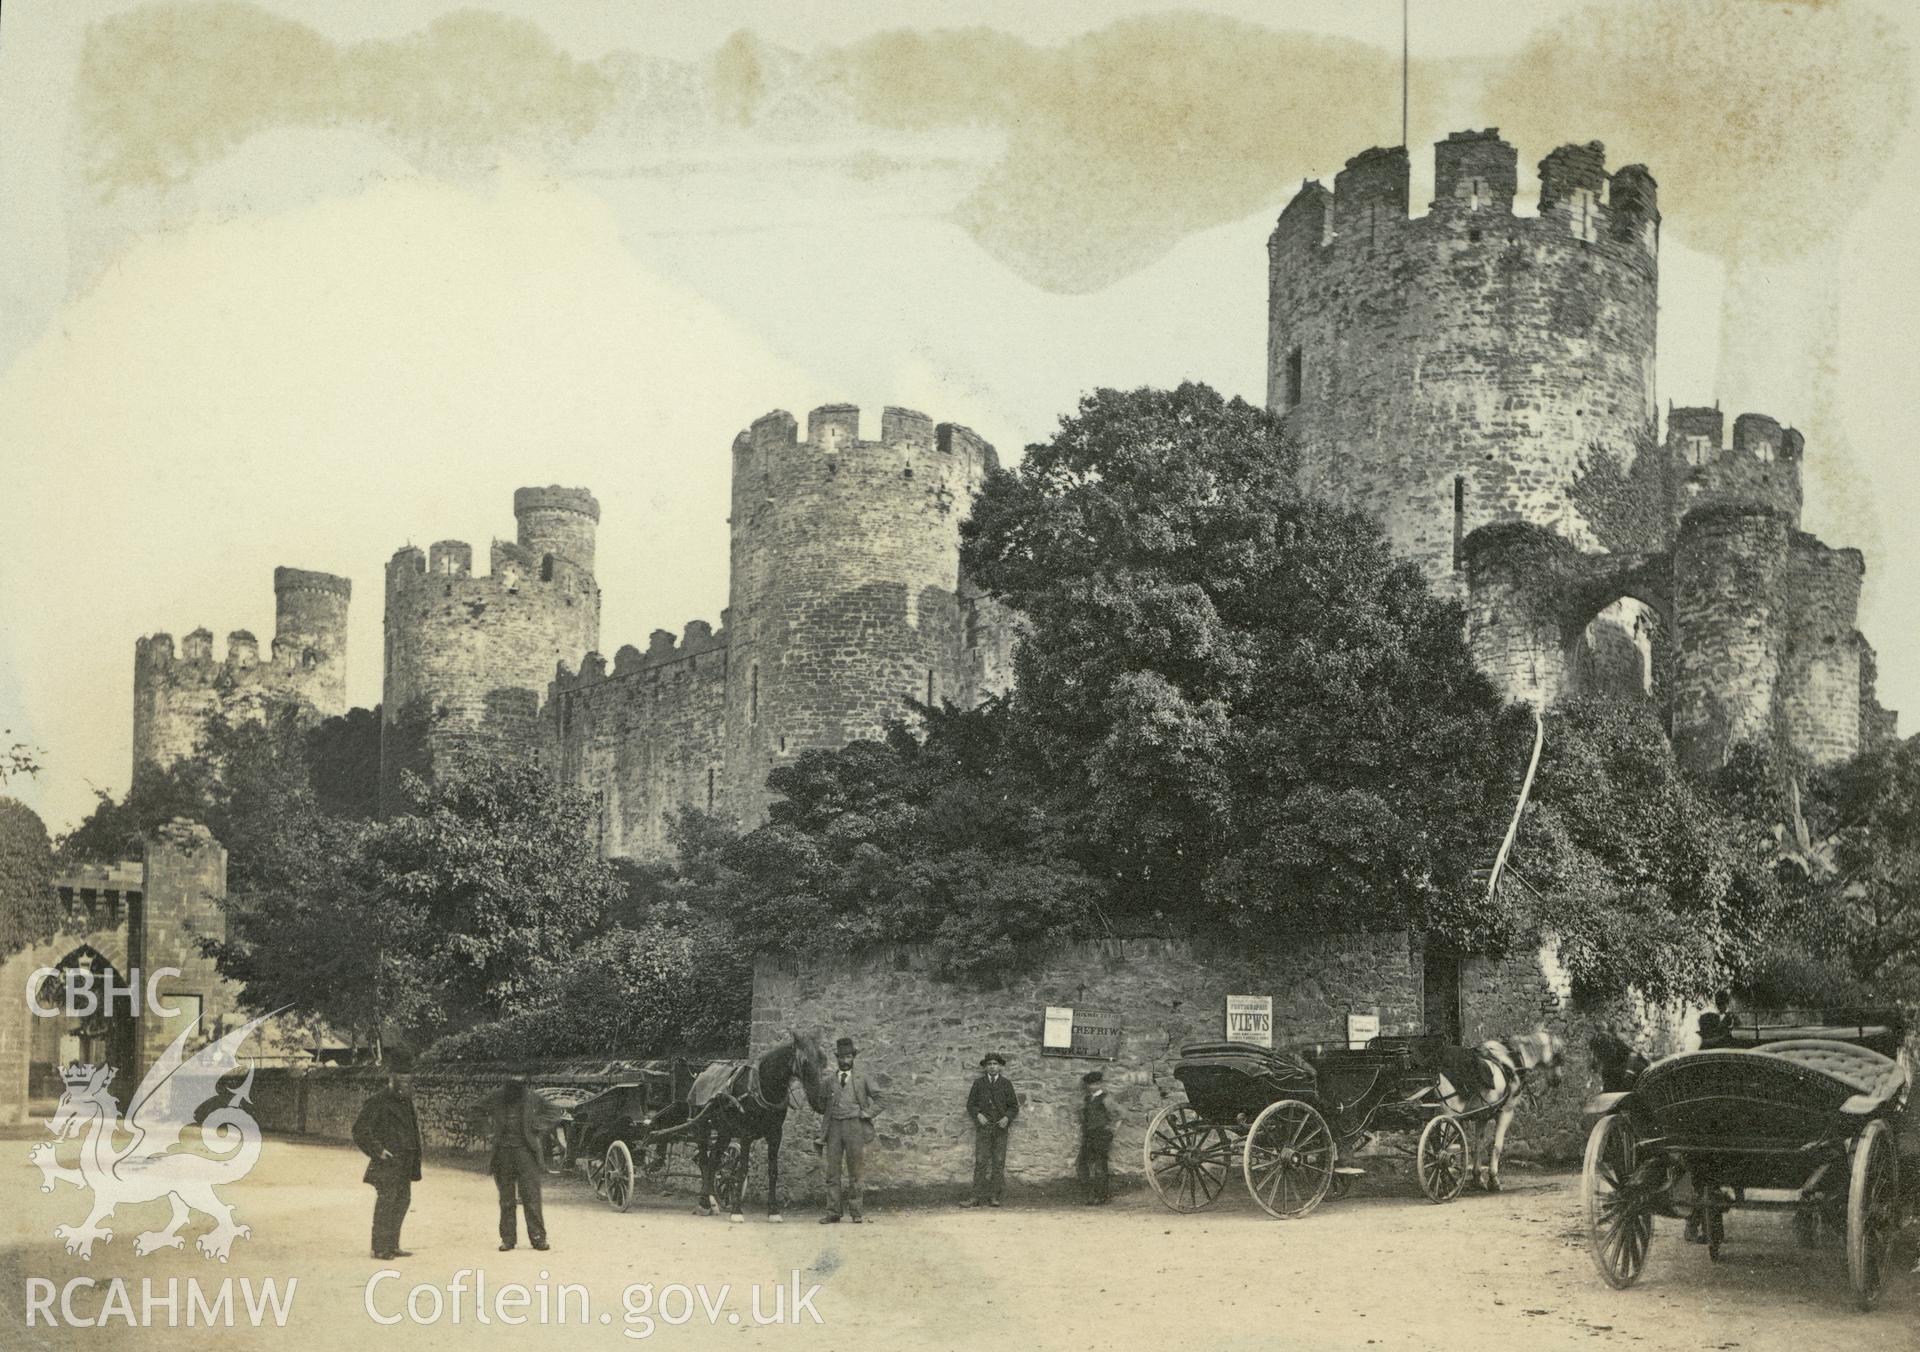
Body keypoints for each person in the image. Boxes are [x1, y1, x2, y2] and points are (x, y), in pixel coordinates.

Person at [352, 1055, 423, 1261]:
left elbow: (412, 1130)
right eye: (400, 1080)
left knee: (402, 1201)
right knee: (387, 1202)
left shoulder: (407, 1102)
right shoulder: (378, 1101)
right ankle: (380, 1248)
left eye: (407, 1081)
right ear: (390, 1079)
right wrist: (378, 1151)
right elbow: (360, 1131)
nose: (404, 1085)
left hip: (406, 1162)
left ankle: (393, 1245)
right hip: (388, 1162)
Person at [485, 1079, 559, 1252]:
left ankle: (538, 1238)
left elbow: (554, 1112)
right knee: (506, 1199)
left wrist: (537, 1125)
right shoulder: (496, 1096)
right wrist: (488, 1131)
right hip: (503, 1153)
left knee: (531, 1196)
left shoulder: (532, 1097)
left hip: (526, 1153)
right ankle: (508, 1239)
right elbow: (475, 1111)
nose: (516, 1081)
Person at [817, 1036, 879, 1225]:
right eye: (842, 1057)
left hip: (855, 1127)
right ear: (837, 1058)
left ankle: (856, 1212)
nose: (845, 1061)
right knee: (832, 1172)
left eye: (848, 1057)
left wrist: (868, 1113)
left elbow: (881, 1098)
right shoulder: (829, 1081)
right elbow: (820, 1102)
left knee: (855, 1171)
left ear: (853, 1058)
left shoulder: (862, 1079)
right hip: (834, 1127)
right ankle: (833, 1212)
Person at [960, 1053, 1018, 1208]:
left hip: (1000, 1129)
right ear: (985, 1067)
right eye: (989, 1064)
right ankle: (975, 1197)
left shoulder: (1006, 1084)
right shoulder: (979, 1083)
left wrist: (1007, 1118)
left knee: (998, 1163)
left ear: (999, 1066)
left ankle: (995, 1197)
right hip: (984, 1129)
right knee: (981, 1162)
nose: (992, 1066)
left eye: (995, 1064)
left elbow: (1014, 1106)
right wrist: (978, 1115)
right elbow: (970, 1104)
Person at [1077, 1070, 1120, 1205]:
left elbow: (1119, 1115)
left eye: (1095, 1084)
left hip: (1101, 1135)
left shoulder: (1106, 1098)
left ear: (1100, 1084)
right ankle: (1090, 1194)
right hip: (1089, 1135)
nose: (1092, 1087)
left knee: (1100, 1165)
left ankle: (1102, 1196)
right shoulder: (1087, 1099)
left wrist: (1112, 1131)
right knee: (1082, 1163)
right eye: (1090, 1084)